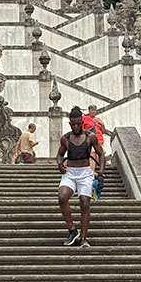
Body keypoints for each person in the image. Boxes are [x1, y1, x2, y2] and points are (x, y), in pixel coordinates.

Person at [56, 106, 105, 248]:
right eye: (74, 124)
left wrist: (101, 174)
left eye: (79, 124)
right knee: (62, 196)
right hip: (70, 172)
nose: (76, 127)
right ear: (70, 124)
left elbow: (101, 154)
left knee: (85, 202)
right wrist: (60, 165)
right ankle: (72, 230)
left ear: (82, 123)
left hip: (85, 173)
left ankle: (83, 237)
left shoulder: (90, 137)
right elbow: (59, 154)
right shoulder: (65, 139)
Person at [82, 105, 106, 170]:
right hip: (90, 140)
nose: (93, 112)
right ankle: (92, 172)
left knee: (98, 157)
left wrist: (102, 124)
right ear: (89, 110)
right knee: (92, 155)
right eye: (92, 110)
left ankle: (94, 171)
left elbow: (103, 131)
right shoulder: (84, 118)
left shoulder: (98, 119)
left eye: (94, 110)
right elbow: (82, 129)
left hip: (99, 140)